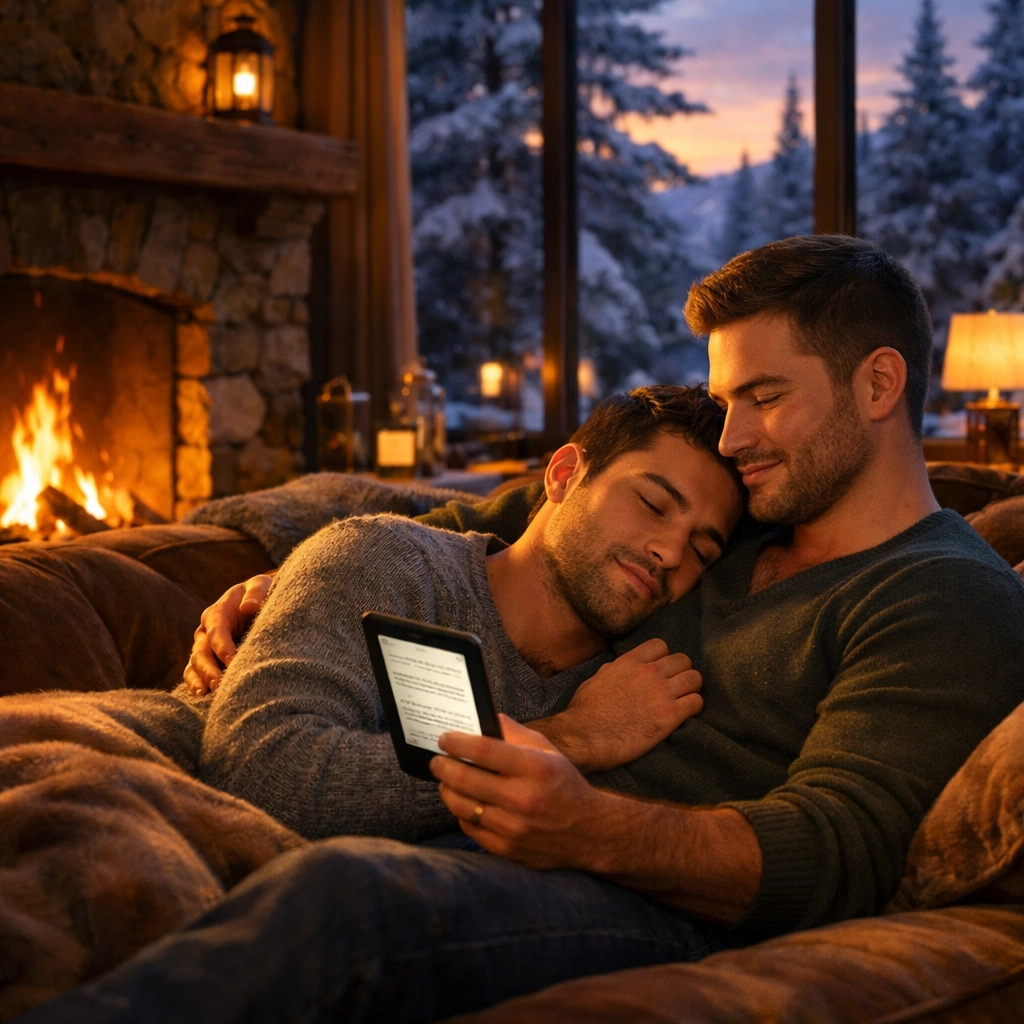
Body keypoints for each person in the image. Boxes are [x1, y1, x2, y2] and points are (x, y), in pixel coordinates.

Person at [21, 236, 1024, 1024]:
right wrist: (278, 571)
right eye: (725, 401)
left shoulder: (942, 594)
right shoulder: (742, 514)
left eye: (763, 398)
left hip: (638, 900)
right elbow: (518, 524)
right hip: (497, 818)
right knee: (70, 748)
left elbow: (835, 846)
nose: (733, 437)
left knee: (348, 897)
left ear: (879, 385)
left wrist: (590, 821)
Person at [198, 385, 744, 840]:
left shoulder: (640, 694)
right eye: (652, 503)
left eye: (701, 550)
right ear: (562, 476)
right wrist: (570, 737)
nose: (670, 553)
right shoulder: (388, 562)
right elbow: (259, 771)